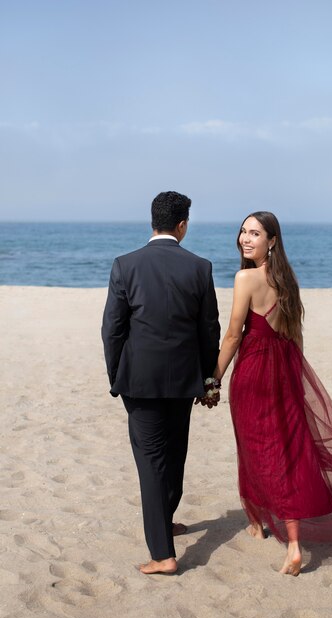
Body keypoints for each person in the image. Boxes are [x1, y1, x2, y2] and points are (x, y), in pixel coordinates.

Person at [204, 211, 332, 576]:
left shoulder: (245, 278)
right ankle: (276, 532)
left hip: (253, 374)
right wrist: (296, 378)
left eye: (255, 233)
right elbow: (294, 335)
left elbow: (234, 336)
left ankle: (273, 531)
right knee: (287, 450)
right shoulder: (287, 280)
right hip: (284, 372)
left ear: (272, 240)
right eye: (243, 231)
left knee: (256, 448)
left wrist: (213, 379)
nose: (245, 238)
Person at [102, 191, 220, 575]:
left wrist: (115, 375)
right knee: (174, 454)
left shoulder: (125, 265)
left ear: (152, 221)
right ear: (182, 225)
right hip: (185, 379)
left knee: (152, 463)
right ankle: (164, 522)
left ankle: (163, 554)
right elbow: (208, 330)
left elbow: (112, 329)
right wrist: (209, 379)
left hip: (139, 380)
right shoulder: (200, 267)